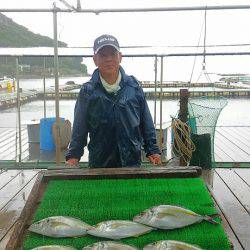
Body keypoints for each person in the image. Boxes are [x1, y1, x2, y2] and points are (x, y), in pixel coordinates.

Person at [66, 34, 161, 168]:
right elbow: (79, 127)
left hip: (131, 161)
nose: (108, 59)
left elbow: (146, 121)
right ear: (95, 59)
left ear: (120, 57)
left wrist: (152, 149)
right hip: (100, 162)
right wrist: (73, 155)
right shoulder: (88, 91)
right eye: (103, 55)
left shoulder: (133, 87)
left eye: (113, 54)